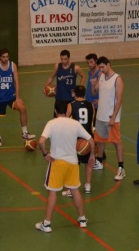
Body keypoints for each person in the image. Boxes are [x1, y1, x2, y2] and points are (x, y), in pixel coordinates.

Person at [36, 100, 95, 233]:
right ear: (68, 111)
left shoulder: (51, 123)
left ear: (56, 111)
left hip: (57, 163)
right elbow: (91, 140)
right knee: (75, 191)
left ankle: (47, 224)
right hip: (73, 163)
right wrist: (92, 155)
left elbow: (41, 141)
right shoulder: (75, 123)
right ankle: (82, 219)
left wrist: (45, 154)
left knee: (52, 193)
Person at [0, 48, 35, 147]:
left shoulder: (12, 65)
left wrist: (17, 97)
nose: (6, 59)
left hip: (11, 96)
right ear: (0, 57)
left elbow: (16, 82)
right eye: (4, 57)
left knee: (22, 108)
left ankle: (25, 133)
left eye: (7, 57)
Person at [91, 56, 125, 180]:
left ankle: (121, 168)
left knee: (116, 142)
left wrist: (114, 117)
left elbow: (119, 99)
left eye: (102, 67)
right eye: (99, 67)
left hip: (112, 117)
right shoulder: (101, 76)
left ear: (108, 64)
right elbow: (95, 93)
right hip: (100, 115)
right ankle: (99, 161)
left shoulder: (117, 79)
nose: (101, 69)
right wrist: (94, 86)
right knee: (100, 140)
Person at [61, 85, 96, 197]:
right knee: (89, 161)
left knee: (74, 164)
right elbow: (92, 123)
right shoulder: (91, 105)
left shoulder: (70, 105)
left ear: (74, 93)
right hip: (88, 137)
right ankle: (88, 185)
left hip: (75, 139)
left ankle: (71, 189)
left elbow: (66, 122)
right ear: (84, 94)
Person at [44, 50, 86, 115]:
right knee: (58, 118)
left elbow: (83, 76)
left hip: (71, 98)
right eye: (61, 59)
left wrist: (78, 88)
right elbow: (52, 77)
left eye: (65, 59)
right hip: (59, 97)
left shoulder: (75, 68)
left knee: (71, 118)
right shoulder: (57, 66)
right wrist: (45, 87)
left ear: (69, 58)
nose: (63, 61)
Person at [85, 53, 105, 161]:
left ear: (96, 61)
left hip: (96, 105)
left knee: (95, 129)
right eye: (88, 62)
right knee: (91, 128)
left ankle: (100, 152)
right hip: (89, 103)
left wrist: (100, 100)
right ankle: (96, 150)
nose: (89, 64)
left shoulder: (99, 73)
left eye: (91, 62)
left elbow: (103, 89)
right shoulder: (90, 72)